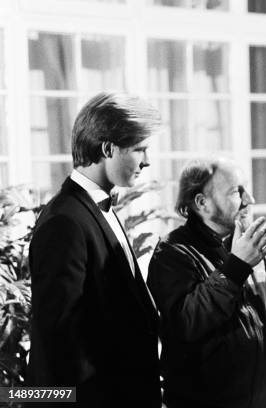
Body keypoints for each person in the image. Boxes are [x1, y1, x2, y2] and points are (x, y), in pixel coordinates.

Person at [27, 92, 162, 408]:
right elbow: (60, 347)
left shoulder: (102, 208)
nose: (147, 161)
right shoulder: (64, 223)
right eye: (140, 149)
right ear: (108, 149)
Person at [147, 159, 266, 408]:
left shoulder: (252, 246)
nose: (250, 200)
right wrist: (237, 266)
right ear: (202, 203)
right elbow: (186, 325)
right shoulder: (173, 253)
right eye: (237, 192)